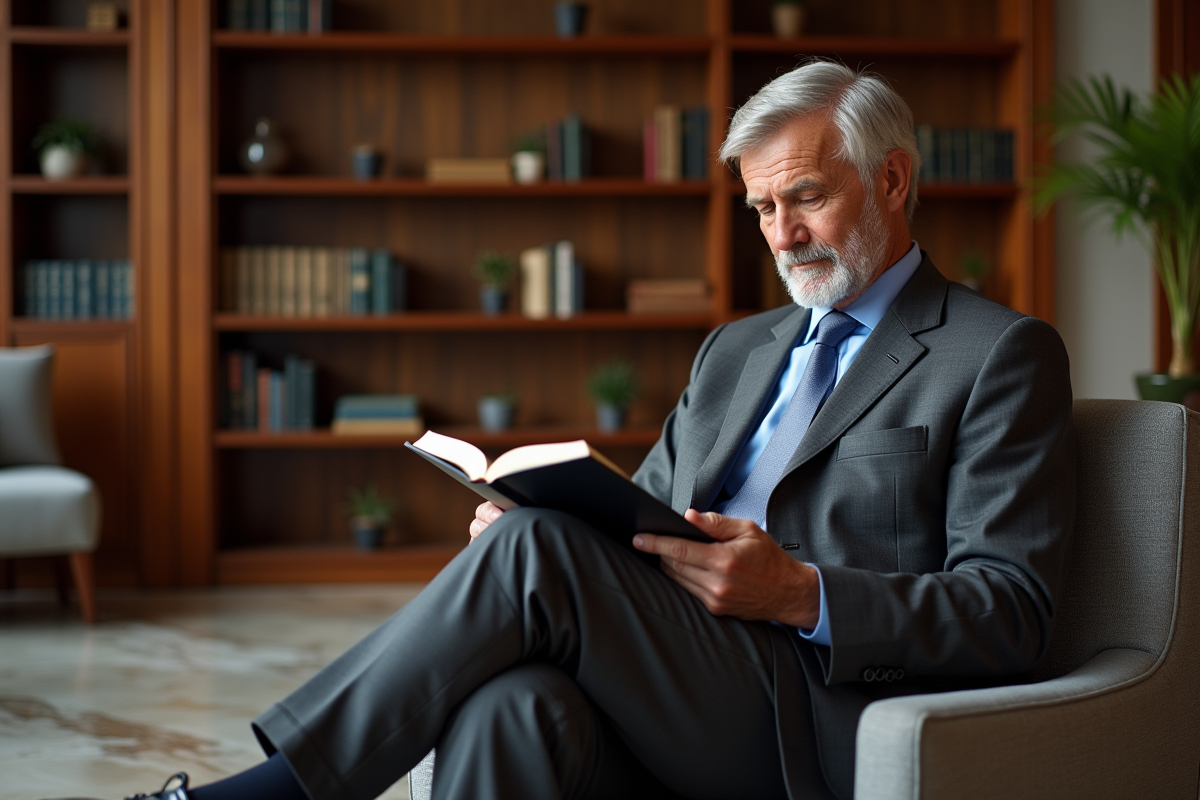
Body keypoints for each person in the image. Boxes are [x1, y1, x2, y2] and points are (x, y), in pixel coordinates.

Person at [65, 60, 1075, 800]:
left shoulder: (996, 353)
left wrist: (799, 591)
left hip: (813, 710)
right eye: (761, 208)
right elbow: (641, 520)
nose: (782, 235)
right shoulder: (737, 349)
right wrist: (534, 522)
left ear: (891, 180)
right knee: (514, 701)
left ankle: (269, 793)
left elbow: (1014, 610)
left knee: (538, 554)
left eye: (805, 197)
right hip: (676, 672)